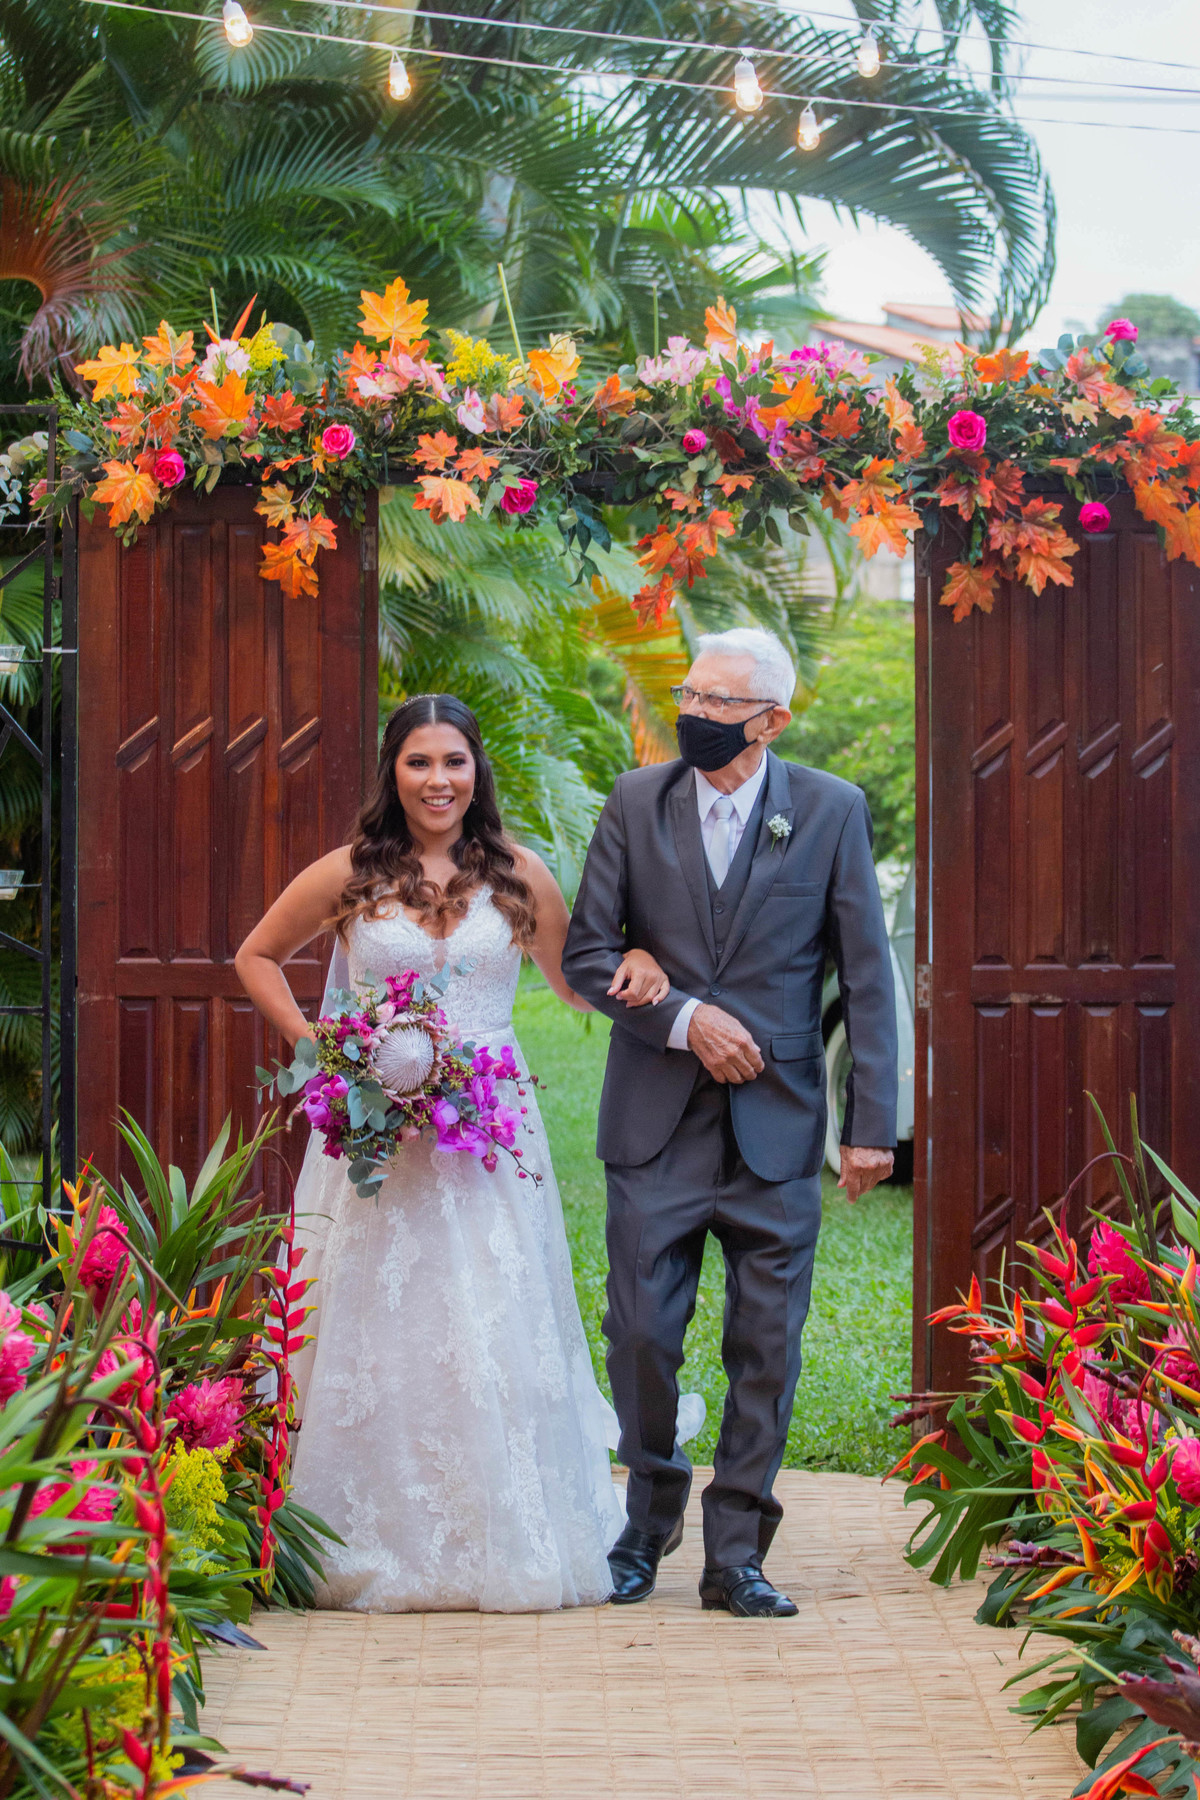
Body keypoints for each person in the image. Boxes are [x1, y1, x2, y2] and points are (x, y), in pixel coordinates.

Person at [235, 693, 671, 1612]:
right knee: (376, 1323)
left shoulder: (522, 875)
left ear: (479, 772)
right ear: (393, 773)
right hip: (378, 1144)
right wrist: (324, 1046)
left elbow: (579, 984)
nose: (439, 781)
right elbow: (258, 956)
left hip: (487, 1139)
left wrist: (640, 963)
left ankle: (497, 1531)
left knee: (489, 1318)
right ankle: (359, 1532)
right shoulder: (351, 872)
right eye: (420, 763)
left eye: (455, 762)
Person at [562, 627, 898, 1619]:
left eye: (719, 704)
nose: (695, 715)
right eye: (691, 696)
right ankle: (648, 1520)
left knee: (766, 1345)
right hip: (654, 1128)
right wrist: (682, 1018)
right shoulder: (636, 802)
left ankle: (737, 1554)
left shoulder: (830, 812)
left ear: (773, 720)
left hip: (778, 1130)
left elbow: (866, 975)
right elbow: (588, 954)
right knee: (641, 1336)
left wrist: (871, 1123)